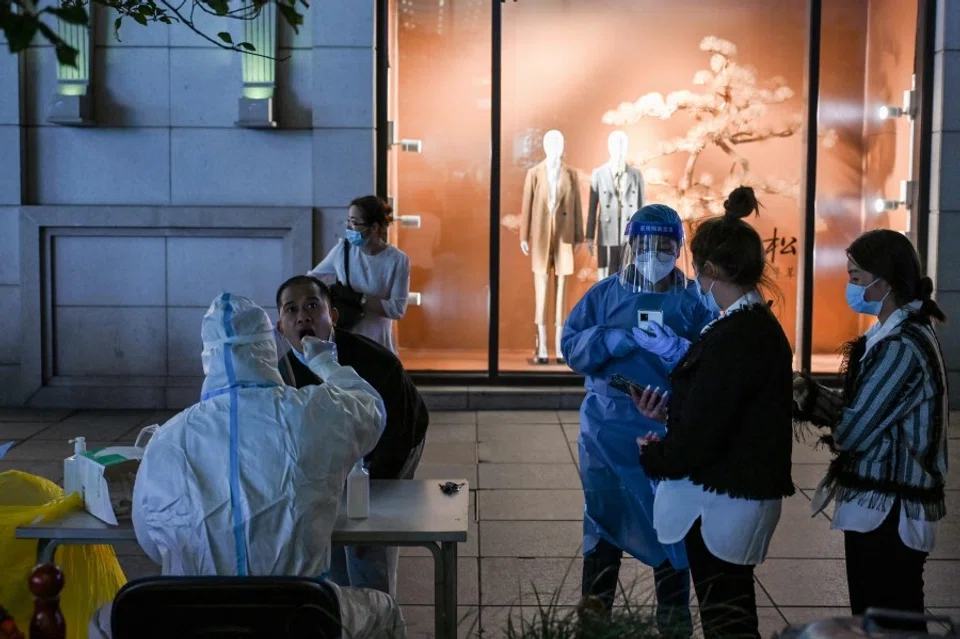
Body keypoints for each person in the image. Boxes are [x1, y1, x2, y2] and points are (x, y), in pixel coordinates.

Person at [87, 294, 406, 639]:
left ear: (207, 357)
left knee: (106, 620)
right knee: (383, 610)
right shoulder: (314, 414)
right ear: (268, 349)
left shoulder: (167, 438)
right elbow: (371, 409)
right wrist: (323, 361)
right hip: (299, 616)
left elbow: (149, 541)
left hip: (186, 617)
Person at [633, 186, 795, 639]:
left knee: (727, 618)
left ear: (708, 270)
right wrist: (670, 414)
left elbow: (707, 429)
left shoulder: (739, 334)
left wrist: (657, 456)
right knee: (729, 612)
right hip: (731, 494)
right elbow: (722, 406)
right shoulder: (748, 325)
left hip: (725, 499)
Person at [561, 203, 715, 636]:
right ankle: (593, 627)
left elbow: (713, 362)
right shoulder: (604, 295)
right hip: (607, 433)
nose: (656, 253)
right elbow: (571, 347)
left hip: (667, 431)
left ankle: (674, 627)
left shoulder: (693, 300)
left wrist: (679, 353)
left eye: (666, 245)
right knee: (604, 526)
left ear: (678, 247)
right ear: (630, 245)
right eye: (646, 244)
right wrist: (613, 338)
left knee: (671, 530)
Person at [792, 229, 949, 632]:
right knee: (879, 616)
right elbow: (864, 411)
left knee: (889, 616)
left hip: (889, 509)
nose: (851, 286)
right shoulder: (892, 335)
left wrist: (825, 411)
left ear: (885, 281)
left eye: (856, 277)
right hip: (878, 505)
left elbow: (855, 430)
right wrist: (811, 395)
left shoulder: (901, 345)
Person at [275, 274, 430, 598]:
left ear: (332, 316)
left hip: (389, 451)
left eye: (312, 305)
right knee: (327, 554)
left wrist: (368, 503)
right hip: (328, 465)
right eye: (291, 310)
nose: (302, 315)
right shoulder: (280, 375)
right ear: (280, 327)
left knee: (368, 550)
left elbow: (398, 436)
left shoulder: (375, 362)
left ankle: (378, 617)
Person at [308, 196, 411, 354]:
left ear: (374, 227)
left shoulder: (397, 260)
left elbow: (397, 309)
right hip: (345, 340)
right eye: (348, 221)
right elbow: (313, 278)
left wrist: (361, 299)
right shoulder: (343, 250)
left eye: (355, 223)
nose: (349, 228)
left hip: (379, 344)